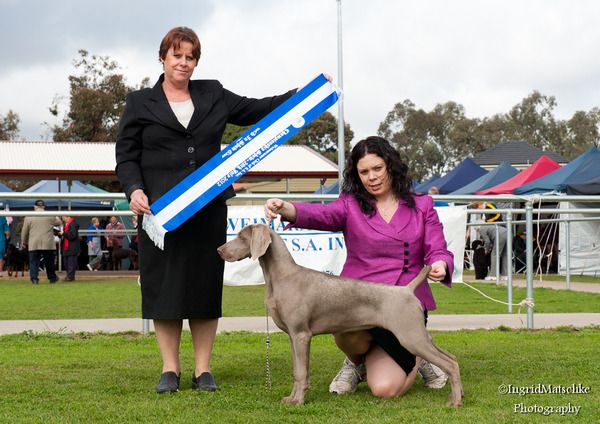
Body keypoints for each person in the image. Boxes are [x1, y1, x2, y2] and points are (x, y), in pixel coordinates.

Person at [115, 26, 298, 394]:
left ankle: (203, 370)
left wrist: (306, 94)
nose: (183, 62)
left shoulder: (213, 93)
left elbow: (257, 108)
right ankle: (170, 370)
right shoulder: (139, 102)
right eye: (177, 55)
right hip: (160, 215)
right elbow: (126, 155)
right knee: (164, 290)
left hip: (208, 210)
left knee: (204, 287)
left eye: (190, 57)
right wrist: (134, 189)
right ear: (163, 57)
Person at [264, 136, 454, 399]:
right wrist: (285, 207)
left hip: (401, 303)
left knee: (385, 389)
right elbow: (322, 215)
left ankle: (420, 351)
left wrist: (440, 263)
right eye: (364, 172)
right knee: (345, 334)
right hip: (357, 301)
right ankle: (355, 362)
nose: (371, 177)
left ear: (391, 165)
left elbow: (437, 247)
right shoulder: (350, 203)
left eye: (377, 168)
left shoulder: (422, 205)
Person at [21, 200, 60, 284]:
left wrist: (24, 242)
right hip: (47, 242)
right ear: (44, 206)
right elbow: (59, 222)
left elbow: (24, 231)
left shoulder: (28, 216)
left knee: (33, 262)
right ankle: (52, 278)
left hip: (34, 242)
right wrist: (56, 216)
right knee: (49, 262)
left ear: (35, 206)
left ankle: (34, 279)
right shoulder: (50, 215)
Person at [59, 215, 80, 281]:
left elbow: (72, 235)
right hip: (66, 247)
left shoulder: (73, 224)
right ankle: (69, 276)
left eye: (63, 217)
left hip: (72, 247)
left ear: (68, 217)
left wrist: (63, 233)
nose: (63, 219)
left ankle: (70, 277)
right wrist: (59, 234)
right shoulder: (66, 224)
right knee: (66, 263)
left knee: (71, 263)